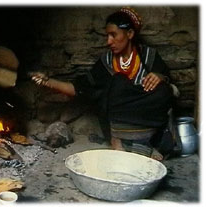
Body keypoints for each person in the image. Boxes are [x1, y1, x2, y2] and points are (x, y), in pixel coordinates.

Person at [30, 7, 176, 161]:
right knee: (118, 81)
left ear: (130, 34)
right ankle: (121, 141)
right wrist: (48, 81)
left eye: (113, 35)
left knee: (164, 91)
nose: (109, 41)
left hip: (142, 112)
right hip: (117, 118)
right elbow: (79, 88)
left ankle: (144, 143)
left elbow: (167, 82)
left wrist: (160, 77)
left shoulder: (149, 56)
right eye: (107, 35)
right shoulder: (106, 62)